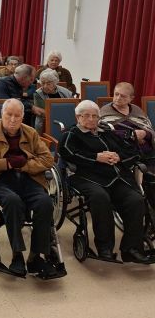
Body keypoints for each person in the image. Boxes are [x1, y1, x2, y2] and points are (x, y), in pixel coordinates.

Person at [59, 100, 155, 264]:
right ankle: (105, 247)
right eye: (86, 116)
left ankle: (131, 249)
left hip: (116, 177)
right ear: (78, 117)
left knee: (136, 200)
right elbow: (68, 154)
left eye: (95, 116)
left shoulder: (106, 132)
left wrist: (120, 157)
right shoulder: (71, 134)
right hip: (86, 177)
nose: (91, 119)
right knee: (100, 198)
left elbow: (132, 152)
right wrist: (96, 158)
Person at [0, 98, 58, 277]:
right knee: (13, 202)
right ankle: (17, 254)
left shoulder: (31, 133)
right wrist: (7, 163)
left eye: (17, 116)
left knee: (45, 203)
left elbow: (48, 159)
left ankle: (35, 256)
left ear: (23, 117)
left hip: (28, 177)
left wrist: (25, 165)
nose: (12, 119)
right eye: (8, 115)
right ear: (1, 114)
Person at [100, 82, 155, 204]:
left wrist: (145, 134)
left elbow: (150, 129)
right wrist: (132, 135)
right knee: (150, 179)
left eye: (123, 96)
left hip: (147, 151)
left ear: (131, 98)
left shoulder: (137, 110)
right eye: (116, 94)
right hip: (125, 154)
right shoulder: (105, 110)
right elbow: (105, 132)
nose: (118, 98)